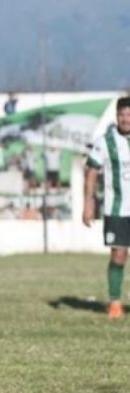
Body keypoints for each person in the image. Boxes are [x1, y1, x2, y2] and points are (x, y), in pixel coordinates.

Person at [83, 96, 130, 319]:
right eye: (121, 115)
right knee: (119, 255)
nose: (125, 119)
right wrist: (88, 201)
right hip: (117, 209)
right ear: (116, 117)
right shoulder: (105, 142)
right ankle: (114, 303)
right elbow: (91, 170)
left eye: (129, 115)